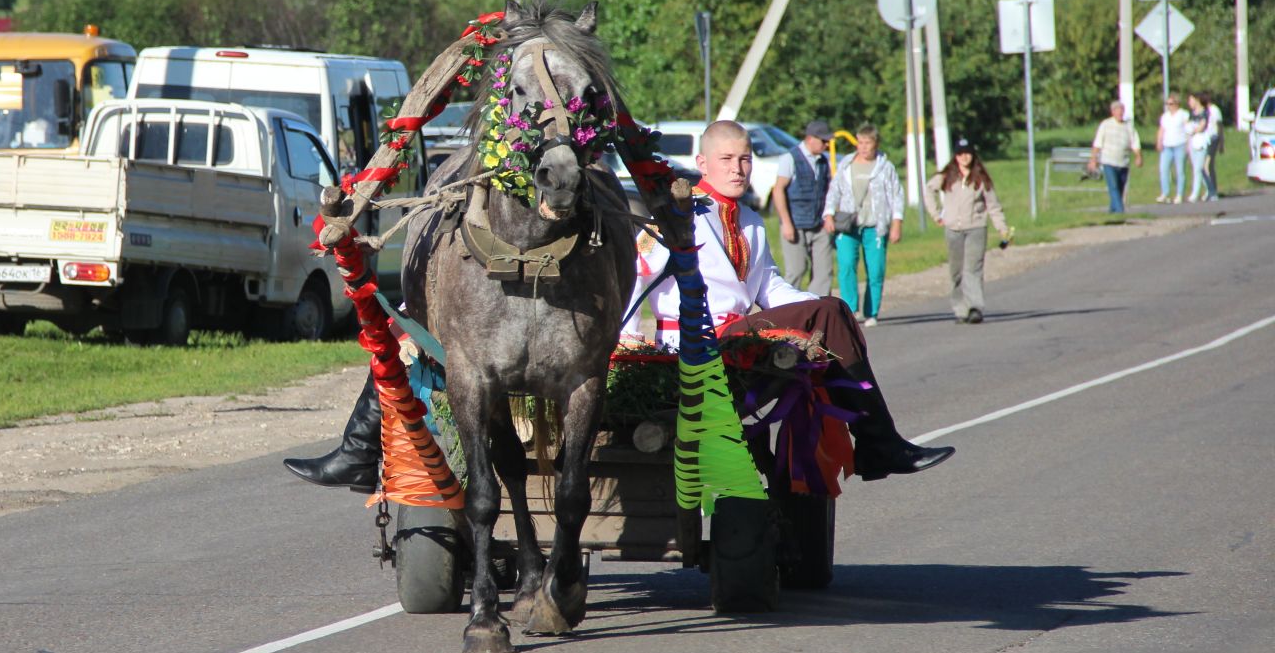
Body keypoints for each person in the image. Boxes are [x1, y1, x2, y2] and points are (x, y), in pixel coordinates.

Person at [283, 121, 954, 490]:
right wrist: (617, 342)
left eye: (747, 160)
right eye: (729, 159)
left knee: (830, 309)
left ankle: (878, 441)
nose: (741, 169)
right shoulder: (673, 220)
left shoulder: (746, 224)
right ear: (703, 160)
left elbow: (769, 290)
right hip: (677, 336)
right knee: (416, 330)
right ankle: (879, 443)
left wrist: (806, 308)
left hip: (733, 333)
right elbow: (634, 287)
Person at [822, 124, 904, 327]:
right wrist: (829, 214)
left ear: (876, 144)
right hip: (848, 225)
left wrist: (896, 223)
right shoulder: (847, 164)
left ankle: (871, 311)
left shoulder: (885, 167)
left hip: (875, 225)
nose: (863, 147)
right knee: (847, 265)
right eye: (860, 142)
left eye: (868, 143)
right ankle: (850, 309)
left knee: (875, 269)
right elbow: (834, 191)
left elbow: (896, 195)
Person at [929, 137, 1012, 324]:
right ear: (955, 156)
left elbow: (993, 206)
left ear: (973, 155)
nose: (964, 157)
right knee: (956, 271)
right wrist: (936, 214)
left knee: (973, 268)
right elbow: (928, 190)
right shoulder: (947, 176)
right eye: (960, 154)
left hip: (976, 227)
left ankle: (975, 307)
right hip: (953, 229)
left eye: (967, 153)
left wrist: (1002, 229)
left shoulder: (980, 178)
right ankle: (961, 309)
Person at [779, 119, 834, 294]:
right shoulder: (790, 158)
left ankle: (818, 312)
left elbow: (828, 191)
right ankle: (786, 312)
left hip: (819, 224)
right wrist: (786, 223)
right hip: (795, 224)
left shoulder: (823, 161)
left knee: (823, 273)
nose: (826, 145)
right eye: (823, 141)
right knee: (796, 270)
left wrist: (829, 216)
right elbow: (778, 190)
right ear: (810, 138)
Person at [1087, 100, 1142, 213]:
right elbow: (1097, 143)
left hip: (1123, 162)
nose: (1120, 113)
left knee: (1120, 188)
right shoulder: (1106, 124)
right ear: (1112, 112)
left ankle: (1112, 212)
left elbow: (1135, 143)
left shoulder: (1128, 126)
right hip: (1108, 161)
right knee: (1113, 187)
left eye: (1121, 111)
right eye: (1117, 111)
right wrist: (1093, 159)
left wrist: (1138, 156)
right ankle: (1120, 211)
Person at [1156, 94, 1190, 203]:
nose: (1168, 106)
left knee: (1180, 170)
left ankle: (1179, 194)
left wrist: (1188, 144)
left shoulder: (1183, 114)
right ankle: (1165, 193)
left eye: (1170, 104)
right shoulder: (1165, 116)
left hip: (1180, 144)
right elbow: (1161, 129)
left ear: (1176, 104)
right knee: (1163, 169)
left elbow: (1187, 128)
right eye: (1167, 104)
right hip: (1167, 145)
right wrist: (1159, 141)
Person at [1185, 93, 1214, 202]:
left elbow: (1202, 126)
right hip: (1193, 142)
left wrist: (1193, 130)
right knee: (1196, 168)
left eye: (1191, 100)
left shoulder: (1205, 113)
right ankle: (1210, 189)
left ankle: (1195, 193)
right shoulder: (1191, 114)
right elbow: (1187, 126)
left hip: (1201, 142)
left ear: (1197, 100)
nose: (1190, 103)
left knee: (1198, 168)